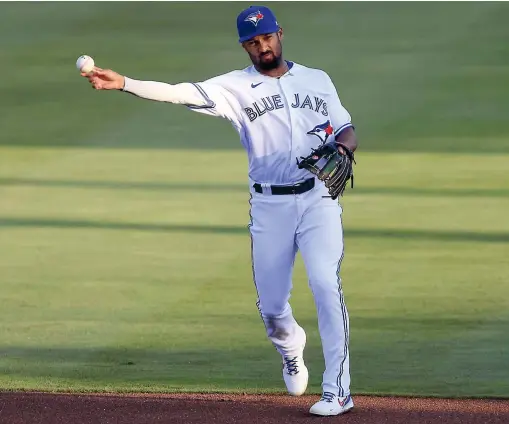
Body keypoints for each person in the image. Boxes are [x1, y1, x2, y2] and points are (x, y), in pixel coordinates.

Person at [81, 5, 358, 417]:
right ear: (244, 46)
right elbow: (180, 92)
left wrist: (342, 147)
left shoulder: (318, 80)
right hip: (269, 206)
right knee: (272, 309)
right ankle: (290, 347)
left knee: (324, 282)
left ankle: (338, 391)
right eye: (252, 42)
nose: (262, 46)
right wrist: (124, 83)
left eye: (266, 37)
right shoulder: (234, 88)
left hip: (318, 198)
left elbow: (346, 127)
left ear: (280, 34)